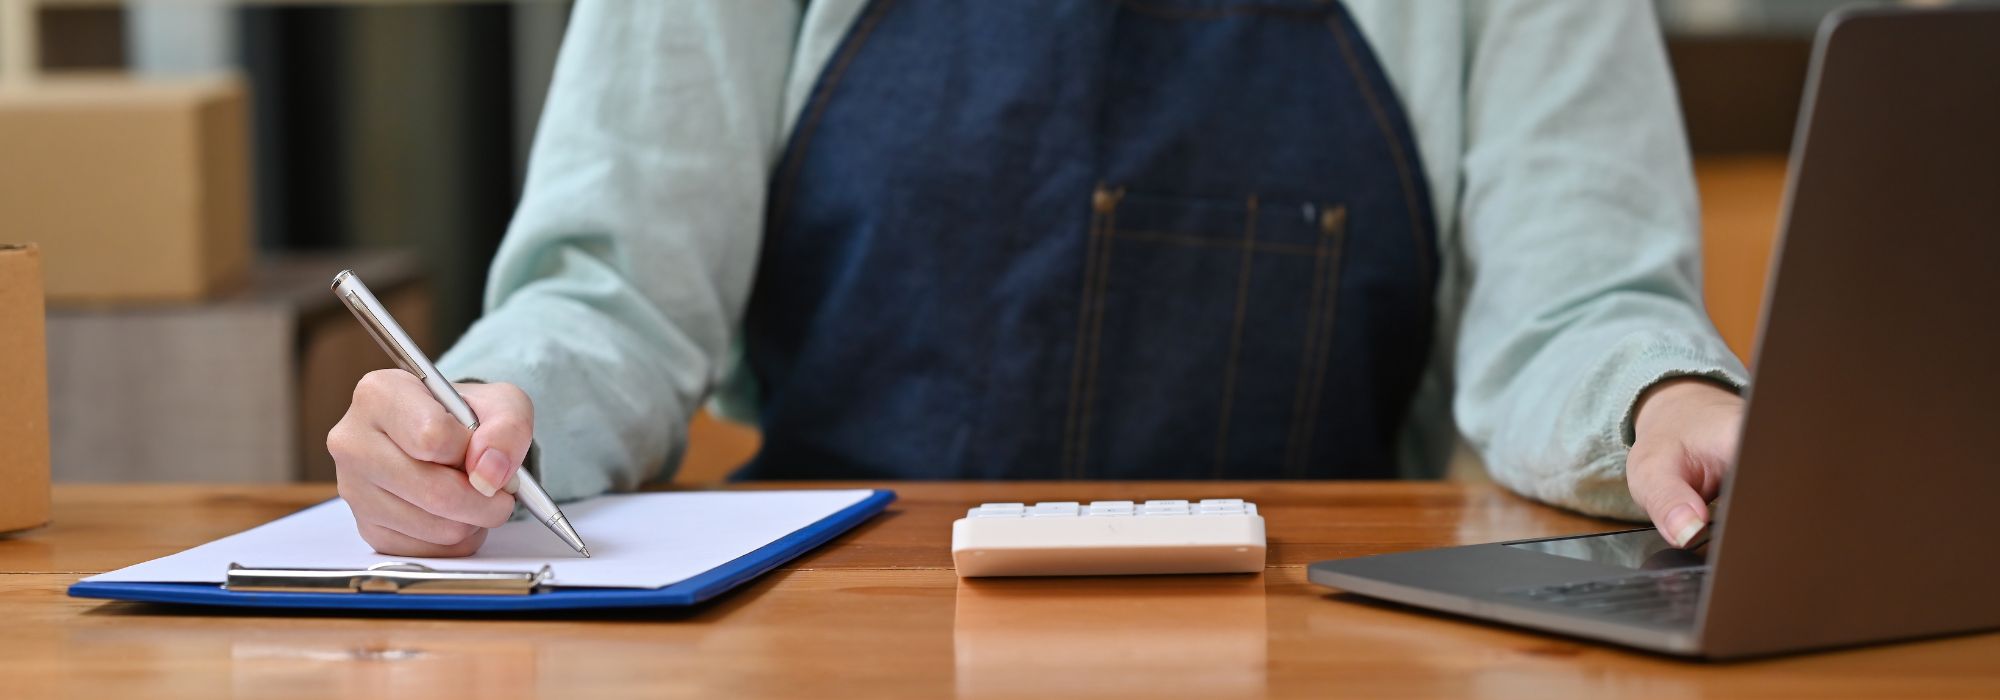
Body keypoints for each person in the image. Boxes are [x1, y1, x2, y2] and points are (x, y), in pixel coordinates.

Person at [327, 0, 1748, 558]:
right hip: (827, 639)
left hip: (1318, 643)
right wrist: (491, 417)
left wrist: (1666, 399)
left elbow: (1584, 305)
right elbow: (615, 294)